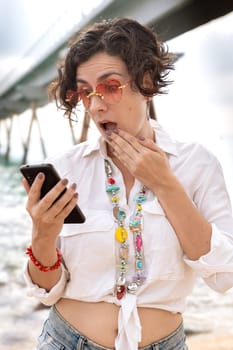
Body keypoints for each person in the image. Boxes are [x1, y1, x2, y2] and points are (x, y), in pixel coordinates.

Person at [22, 17, 233, 350]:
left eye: (110, 86)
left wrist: (165, 185)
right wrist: (42, 237)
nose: (96, 104)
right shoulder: (66, 168)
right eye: (85, 92)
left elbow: (224, 275)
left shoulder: (196, 164)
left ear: (146, 81)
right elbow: (48, 290)